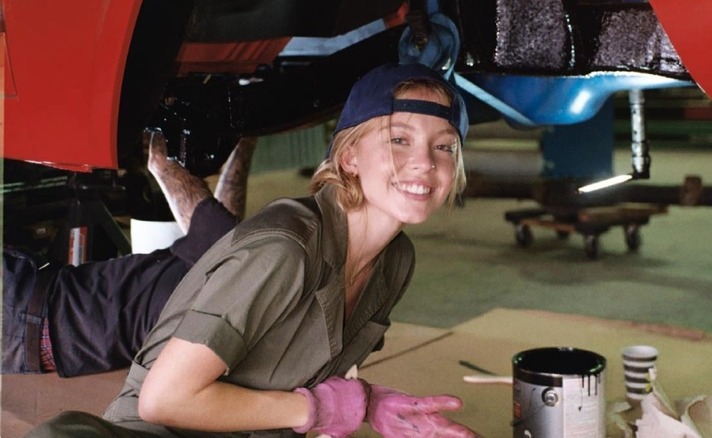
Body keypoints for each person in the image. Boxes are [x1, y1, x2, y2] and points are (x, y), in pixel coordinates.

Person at [24, 62, 477, 438]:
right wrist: (316, 410)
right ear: (349, 157)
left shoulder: (395, 261)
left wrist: (365, 402)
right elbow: (165, 399)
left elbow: (289, 369)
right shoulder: (285, 248)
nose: (425, 162)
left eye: (443, 146)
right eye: (400, 139)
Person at [2, 135, 256, 377]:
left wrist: (162, 160)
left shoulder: (212, 287)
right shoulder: (209, 287)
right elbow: (226, 238)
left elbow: (226, 238)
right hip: (32, 330)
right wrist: (163, 164)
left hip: (28, 321)